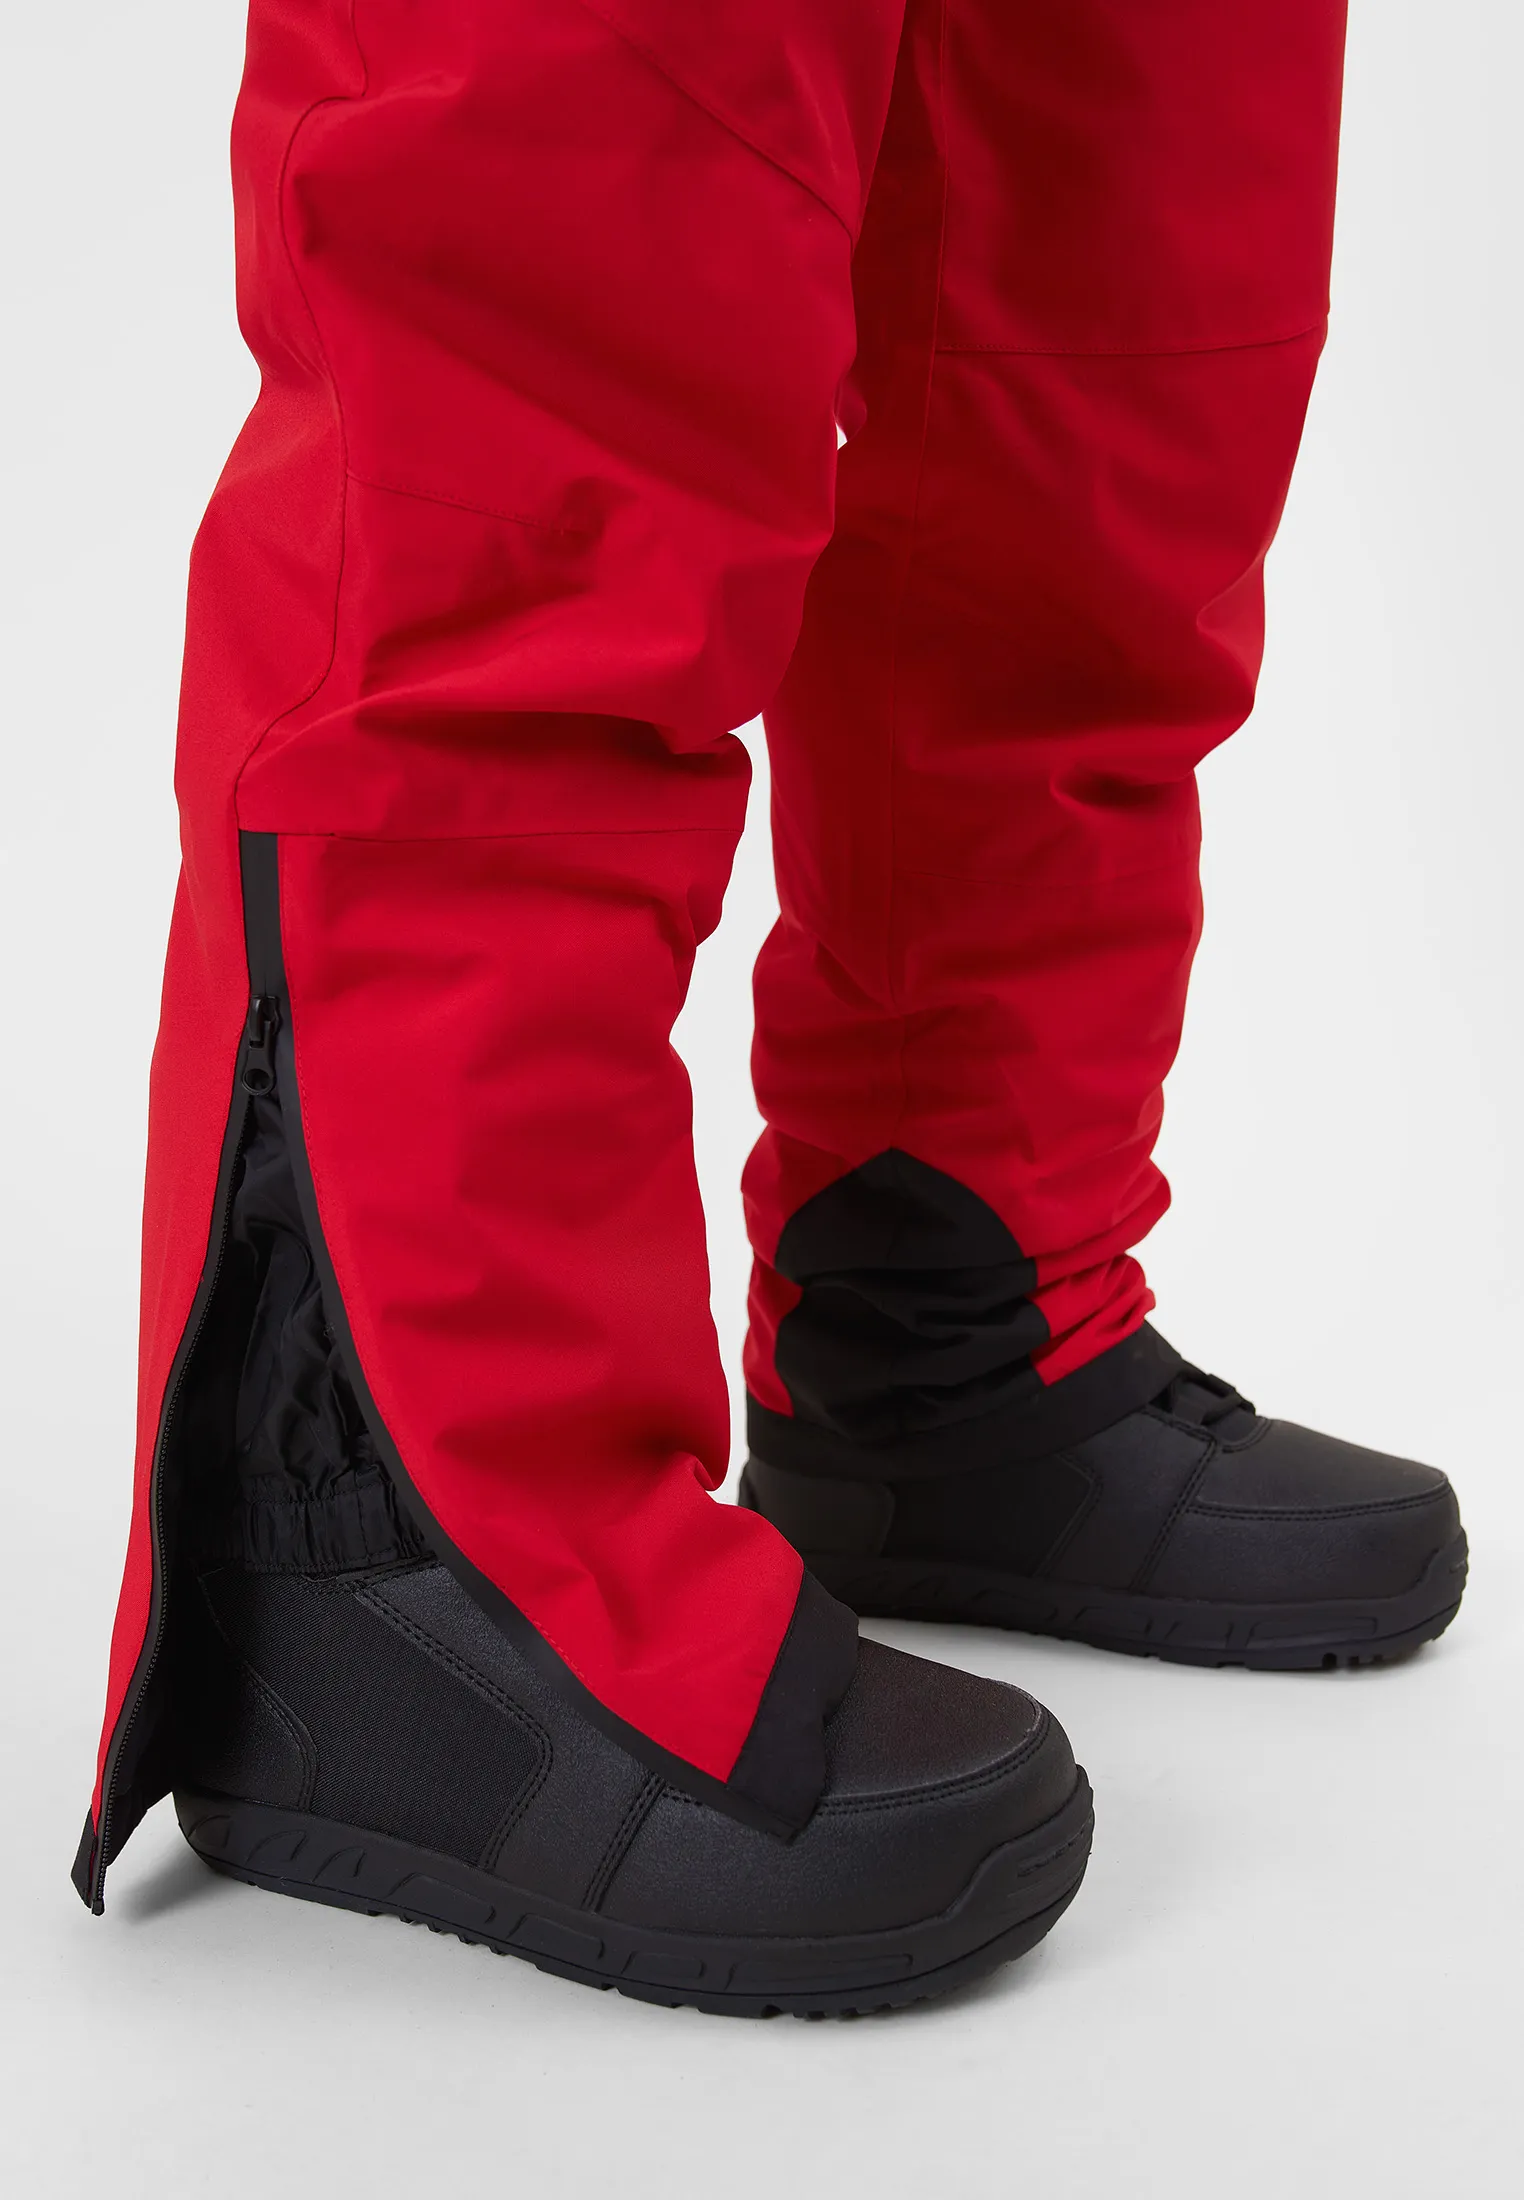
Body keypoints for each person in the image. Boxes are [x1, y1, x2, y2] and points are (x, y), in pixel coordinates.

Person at [72, 0, 1466, 2015]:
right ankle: (388, 1531)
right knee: (570, 247)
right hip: (405, 1486)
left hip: (978, 1270)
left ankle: (947, 1319)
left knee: (1101, 289)